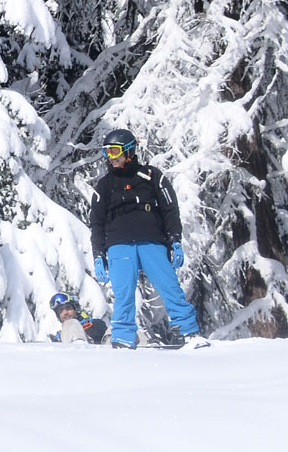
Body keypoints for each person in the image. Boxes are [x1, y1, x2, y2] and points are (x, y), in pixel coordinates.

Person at [90, 129, 210, 349]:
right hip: (119, 244)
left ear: (129, 151)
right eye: (106, 152)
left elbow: (170, 210)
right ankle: (123, 338)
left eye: (115, 151)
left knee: (169, 287)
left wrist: (174, 240)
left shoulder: (152, 176)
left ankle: (188, 332)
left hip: (151, 241)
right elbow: (96, 223)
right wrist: (99, 253)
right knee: (123, 293)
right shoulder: (104, 185)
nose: (111, 157)